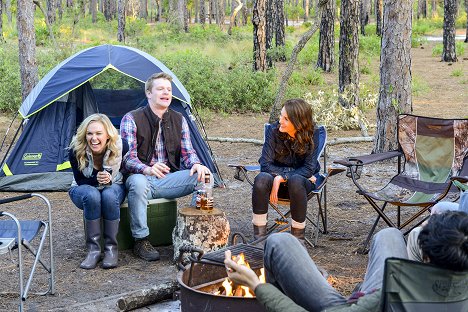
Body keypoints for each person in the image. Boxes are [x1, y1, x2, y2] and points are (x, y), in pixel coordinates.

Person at [224, 211, 468, 312]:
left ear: (425, 256)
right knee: (389, 235)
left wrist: (257, 285)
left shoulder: (396, 292)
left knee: (280, 243)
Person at [120, 72, 210, 261]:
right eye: (160, 89)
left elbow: (188, 152)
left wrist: (197, 165)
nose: (166, 93)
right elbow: (127, 159)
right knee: (137, 182)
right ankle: (141, 240)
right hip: (141, 179)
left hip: (167, 181)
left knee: (203, 176)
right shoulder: (132, 118)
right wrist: (147, 169)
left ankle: (192, 232)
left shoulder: (179, 119)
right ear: (148, 93)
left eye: (168, 89)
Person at [252, 99, 320, 241]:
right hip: (274, 187)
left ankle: (298, 239)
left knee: (295, 180)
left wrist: (281, 177)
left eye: (286, 119)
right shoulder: (273, 131)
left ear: (298, 122)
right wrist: (282, 176)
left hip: (300, 186)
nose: (280, 121)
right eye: (281, 116)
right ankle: (259, 238)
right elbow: (265, 165)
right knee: (261, 178)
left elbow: (308, 169)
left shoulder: (313, 133)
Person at [68, 113, 126, 270]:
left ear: (108, 135)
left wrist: (110, 180)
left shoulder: (121, 146)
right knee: (93, 195)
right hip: (83, 188)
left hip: (114, 185)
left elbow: (128, 171)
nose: (94, 138)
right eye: (90, 133)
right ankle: (93, 250)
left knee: (108, 194)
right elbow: (80, 180)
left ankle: (111, 250)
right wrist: (97, 179)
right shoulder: (76, 149)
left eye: (99, 133)